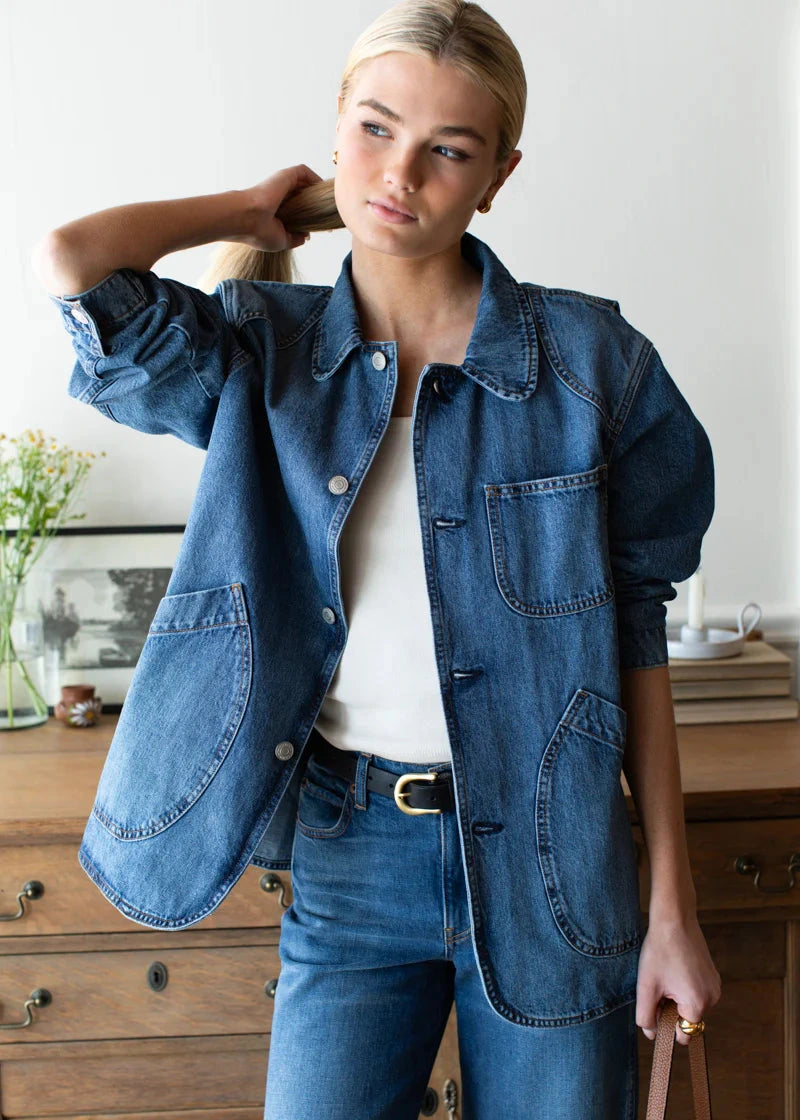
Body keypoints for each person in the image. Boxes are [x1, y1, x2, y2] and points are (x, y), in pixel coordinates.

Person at [32, 0, 721, 1115]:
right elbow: (77, 265)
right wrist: (257, 208)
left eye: (446, 149)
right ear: (334, 130)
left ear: (496, 173)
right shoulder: (261, 349)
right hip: (349, 858)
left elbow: (634, 638)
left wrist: (669, 915)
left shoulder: (593, 366)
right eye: (374, 129)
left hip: (557, 863)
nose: (401, 173)